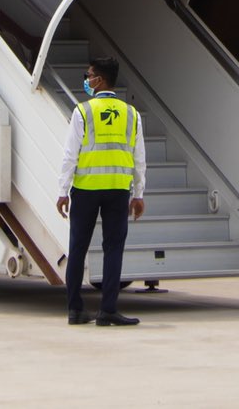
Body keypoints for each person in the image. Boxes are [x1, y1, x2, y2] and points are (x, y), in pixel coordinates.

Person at [54, 56, 145, 326]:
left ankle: (75, 310)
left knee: (78, 248)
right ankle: (108, 310)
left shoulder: (83, 111)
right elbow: (139, 157)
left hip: (86, 189)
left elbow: (71, 154)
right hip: (118, 190)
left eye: (89, 74)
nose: (87, 79)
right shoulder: (131, 113)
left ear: (100, 80)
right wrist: (138, 194)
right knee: (113, 249)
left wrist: (62, 190)